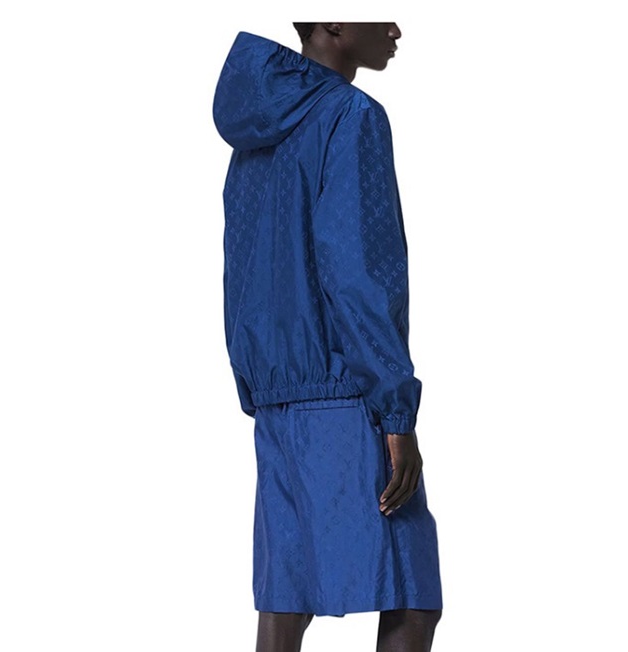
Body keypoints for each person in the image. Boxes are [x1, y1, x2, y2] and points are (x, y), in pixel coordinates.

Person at [213, 23, 443, 651]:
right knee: (411, 595)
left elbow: (241, 268)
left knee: (286, 599)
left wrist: (260, 386)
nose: (394, 27)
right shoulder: (352, 115)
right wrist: (396, 412)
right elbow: (358, 271)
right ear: (333, 22)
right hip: (345, 396)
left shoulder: (257, 132)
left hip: (278, 401)